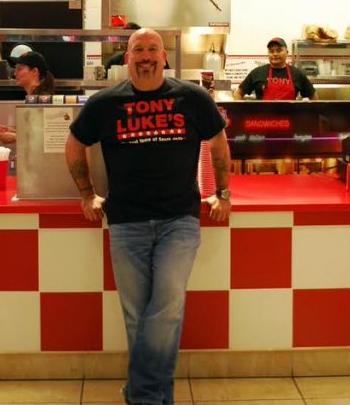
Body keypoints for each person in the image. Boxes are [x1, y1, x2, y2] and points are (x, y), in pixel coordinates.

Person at [65, 28, 231, 405]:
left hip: (179, 219)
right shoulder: (106, 103)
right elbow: (75, 144)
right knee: (138, 316)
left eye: (152, 49)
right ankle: (158, 397)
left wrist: (222, 192)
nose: (145, 55)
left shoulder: (191, 97)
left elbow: (219, 143)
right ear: (127, 58)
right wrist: (87, 194)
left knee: (168, 307)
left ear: (164, 57)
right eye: (137, 49)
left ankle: (141, 395)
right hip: (126, 221)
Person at [0, 50, 56, 145]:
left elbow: (46, 136)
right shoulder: (32, 99)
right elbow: (33, 131)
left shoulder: (42, 100)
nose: (15, 74)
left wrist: (15, 137)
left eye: (19, 69)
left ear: (34, 71)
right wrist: (12, 131)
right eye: (15, 69)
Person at [234, 37, 316, 100]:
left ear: (287, 53)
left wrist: (313, 115)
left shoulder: (297, 74)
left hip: (289, 120)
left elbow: (313, 96)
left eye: (279, 50)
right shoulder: (257, 72)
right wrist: (241, 112)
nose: (275, 54)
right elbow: (238, 93)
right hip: (263, 121)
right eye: (271, 51)